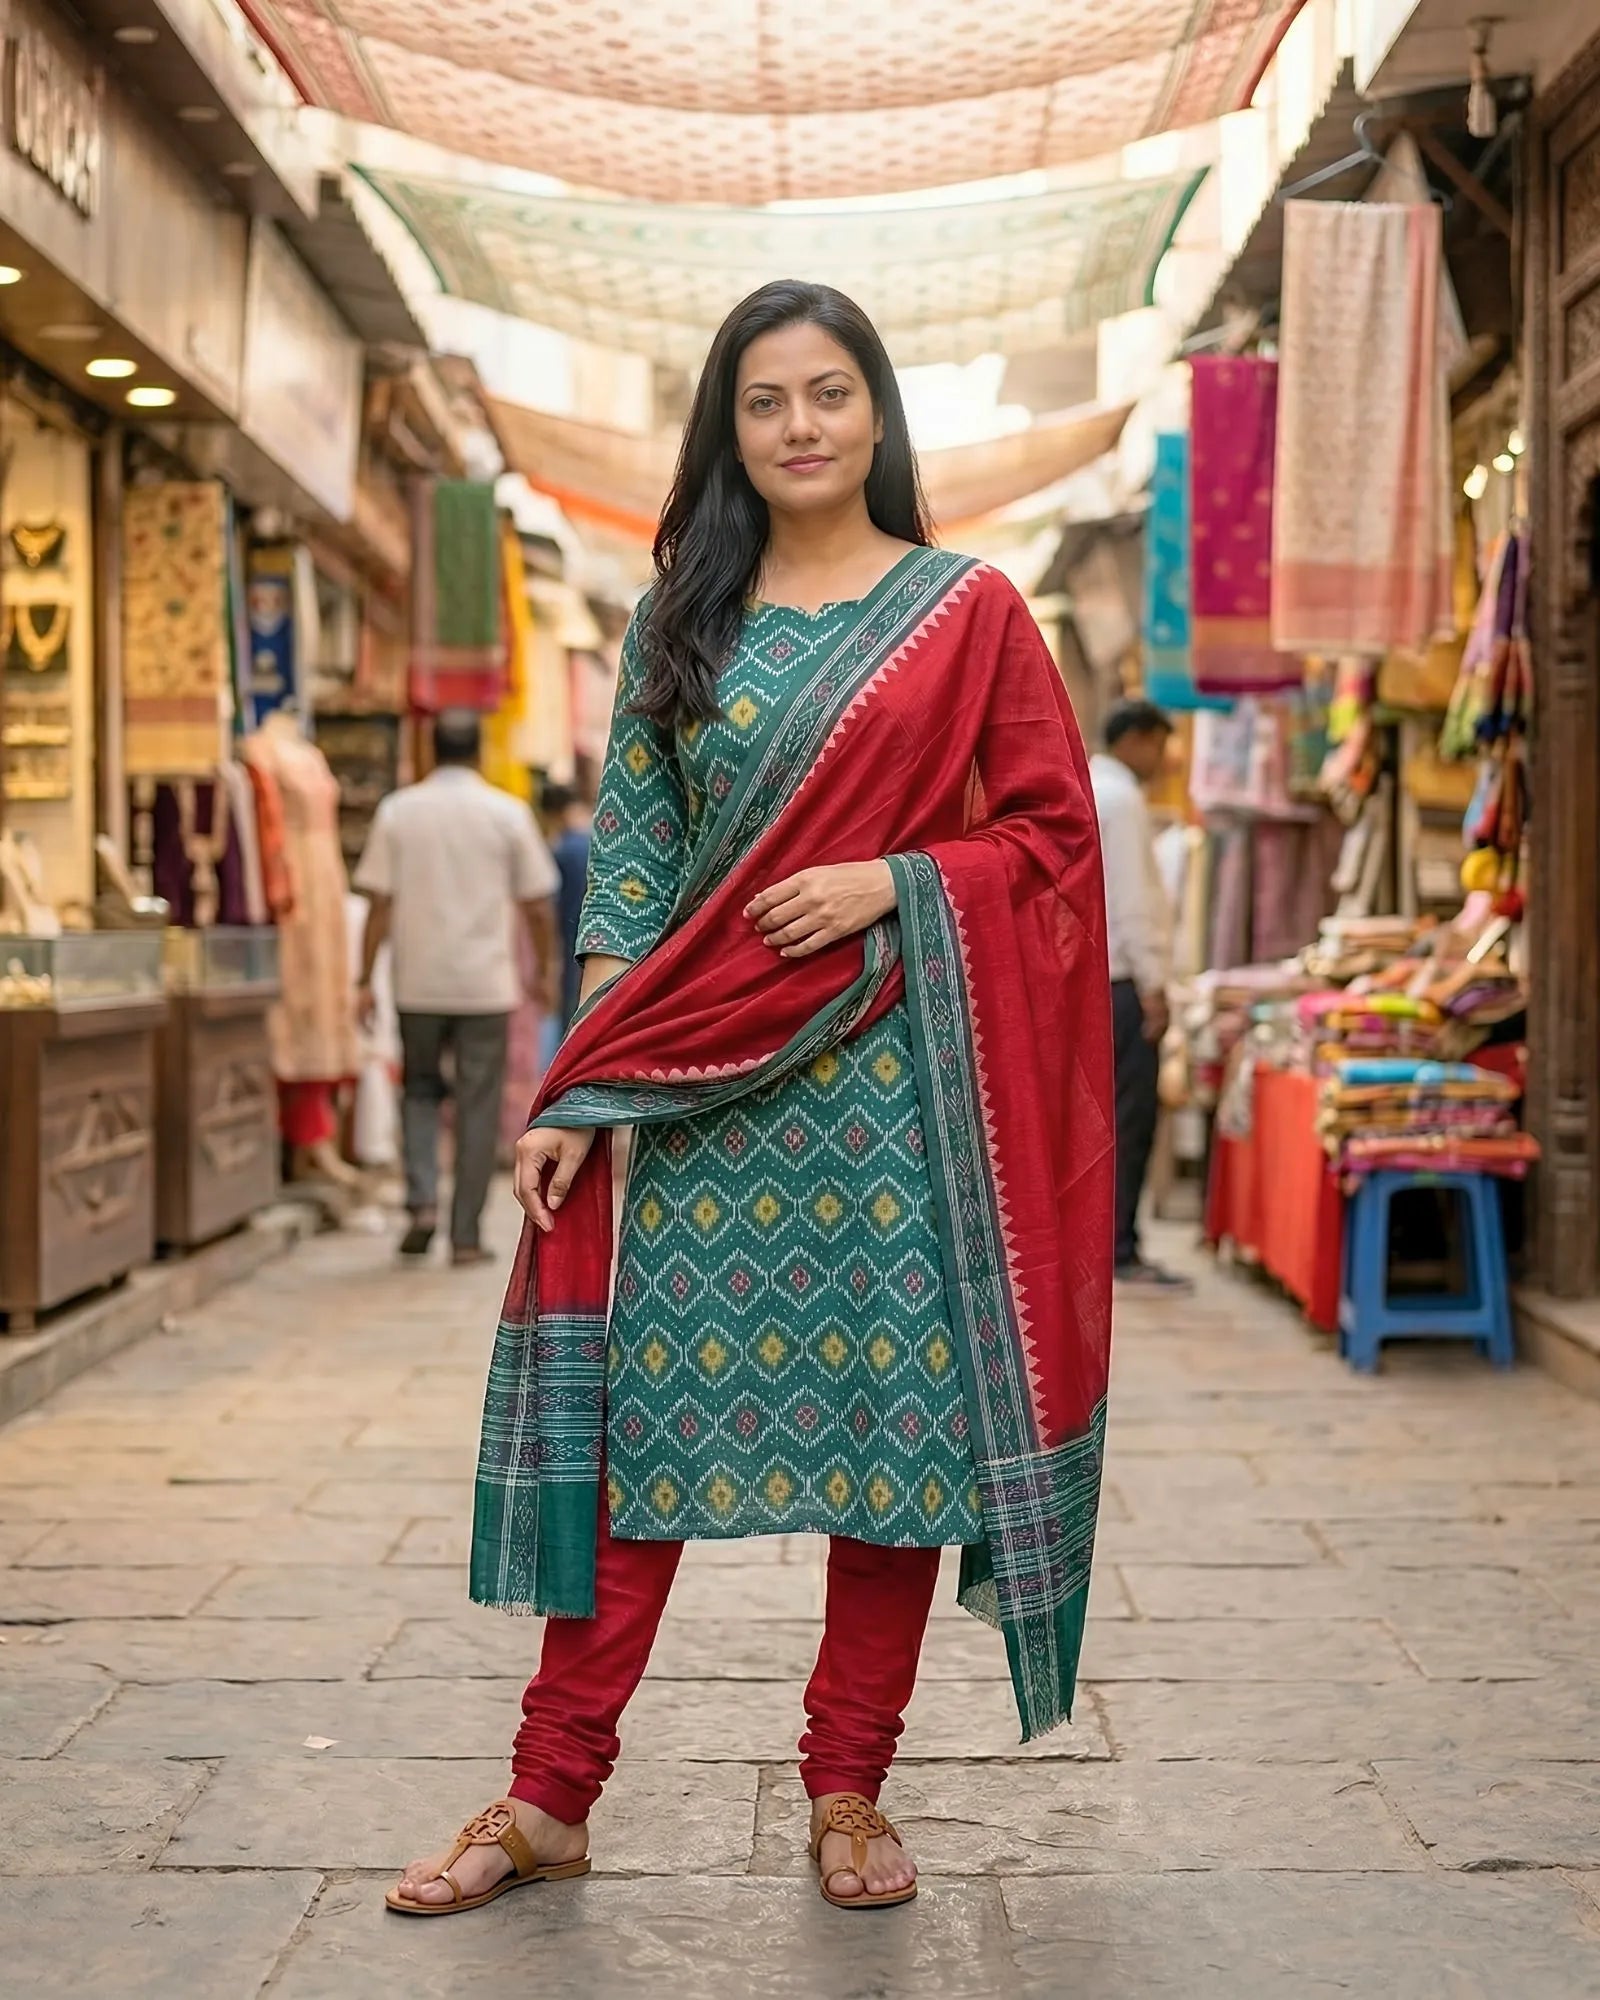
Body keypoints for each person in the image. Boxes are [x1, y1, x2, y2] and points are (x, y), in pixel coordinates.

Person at [388, 282, 1114, 1919]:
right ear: (728, 425)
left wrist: (897, 883)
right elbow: (632, 884)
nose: (800, 425)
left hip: (901, 1097)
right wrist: (578, 1088)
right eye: (766, 399)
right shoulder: (677, 621)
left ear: (878, 414)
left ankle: (849, 1786)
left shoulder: (968, 612)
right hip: (706, 1099)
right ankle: (550, 1790)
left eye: (830, 392)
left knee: (898, 1458)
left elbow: (1054, 841)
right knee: (640, 1445)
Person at [355, 709, 559, 1266]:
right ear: (478, 752)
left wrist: (362, 978)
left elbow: (377, 903)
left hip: (417, 982)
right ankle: (465, 1234)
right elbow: (538, 905)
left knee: (419, 1091)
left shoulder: (398, 812)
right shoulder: (507, 814)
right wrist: (543, 970)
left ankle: (421, 1201)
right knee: (477, 1104)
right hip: (485, 986)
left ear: (430, 747)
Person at [1089, 698, 1192, 1292]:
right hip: (1123, 980)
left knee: (1106, 1118)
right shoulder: (1122, 799)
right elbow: (1131, 903)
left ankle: (1111, 1244)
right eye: (1160, 744)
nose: (1164, 759)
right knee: (1131, 1118)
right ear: (1139, 739)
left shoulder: (1092, 785)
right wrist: (1154, 985)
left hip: (1098, 979)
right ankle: (1121, 1247)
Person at [536, 780, 592, 1033]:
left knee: (569, 1010)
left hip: (571, 940)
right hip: (595, 937)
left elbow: (552, 905)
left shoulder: (563, 850)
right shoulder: (594, 839)